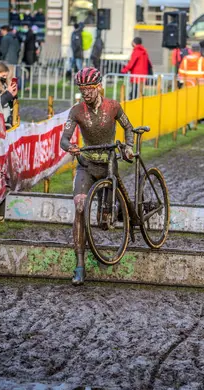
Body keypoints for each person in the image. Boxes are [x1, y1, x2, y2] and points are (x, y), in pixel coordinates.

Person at [59, 67, 135, 285]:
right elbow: (64, 139)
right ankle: (80, 265)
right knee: (80, 208)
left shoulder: (113, 106)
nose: (86, 93)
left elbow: (128, 128)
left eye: (90, 89)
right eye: (82, 89)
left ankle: (121, 212)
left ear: (99, 86)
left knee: (104, 222)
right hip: (86, 165)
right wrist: (70, 147)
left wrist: (128, 147)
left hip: (109, 165)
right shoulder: (76, 111)